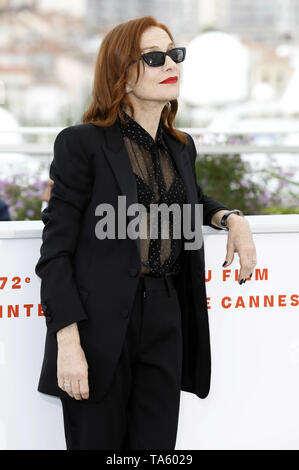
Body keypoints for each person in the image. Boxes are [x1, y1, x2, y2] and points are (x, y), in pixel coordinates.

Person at [35, 15, 257, 450]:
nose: (170, 64)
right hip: (99, 325)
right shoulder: (81, 144)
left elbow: (192, 202)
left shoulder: (181, 146)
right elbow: (54, 252)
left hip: (167, 315)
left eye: (175, 54)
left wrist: (234, 219)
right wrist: (68, 342)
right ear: (123, 75)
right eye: (154, 58)